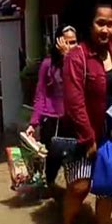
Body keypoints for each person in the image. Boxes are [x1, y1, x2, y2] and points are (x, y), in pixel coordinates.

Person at [62, 4, 112, 224]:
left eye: (109, 24)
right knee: (80, 187)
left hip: (111, 132)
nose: (105, 30)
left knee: (108, 187)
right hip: (83, 133)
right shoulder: (76, 57)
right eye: (100, 23)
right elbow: (74, 102)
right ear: (89, 25)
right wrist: (88, 138)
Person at [25, 25, 78, 188]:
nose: (70, 46)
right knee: (52, 161)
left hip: (73, 118)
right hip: (52, 119)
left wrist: (68, 58)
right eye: (66, 42)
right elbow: (41, 94)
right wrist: (34, 123)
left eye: (74, 42)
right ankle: (49, 187)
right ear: (58, 42)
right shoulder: (48, 64)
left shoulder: (81, 64)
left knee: (74, 163)